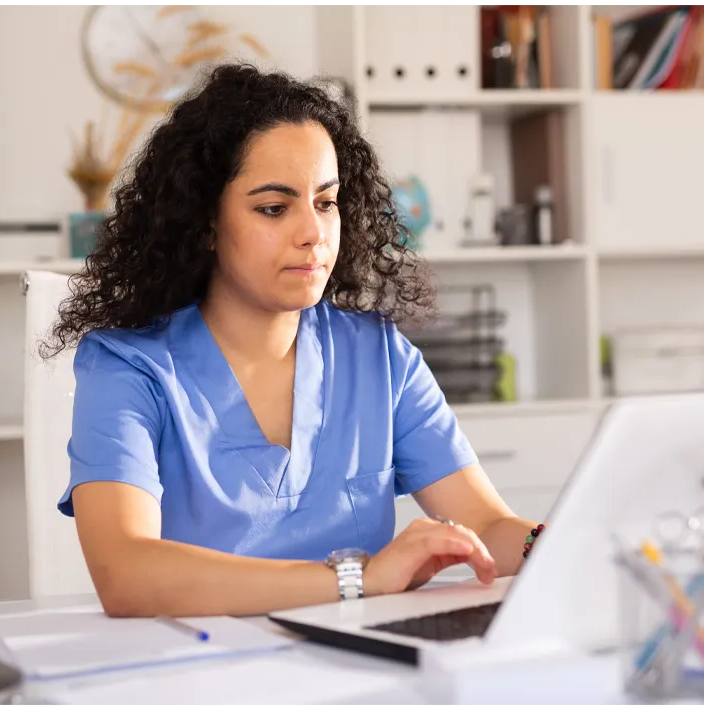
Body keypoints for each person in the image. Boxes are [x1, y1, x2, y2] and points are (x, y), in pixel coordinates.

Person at [44, 63, 542, 619]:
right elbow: (127, 575)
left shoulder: (379, 356)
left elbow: (490, 525)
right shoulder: (128, 367)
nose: (313, 232)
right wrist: (360, 578)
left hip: (355, 671)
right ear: (204, 223)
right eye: (274, 208)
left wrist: (557, 540)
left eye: (325, 202)